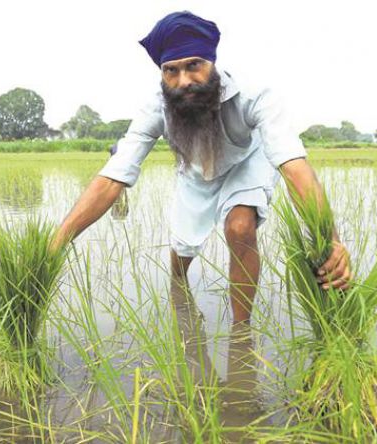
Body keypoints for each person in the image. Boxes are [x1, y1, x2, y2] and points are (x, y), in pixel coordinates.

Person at [52, 11, 351, 324]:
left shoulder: (254, 95)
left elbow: (293, 165)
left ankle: (240, 331)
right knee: (183, 246)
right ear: (162, 72)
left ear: (211, 63)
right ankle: (178, 290)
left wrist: (330, 238)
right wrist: (56, 245)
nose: (184, 81)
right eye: (171, 70)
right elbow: (114, 177)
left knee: (240, 226)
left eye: (193, 65)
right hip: (194, 173)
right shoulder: (156, 107)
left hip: (245, 164)